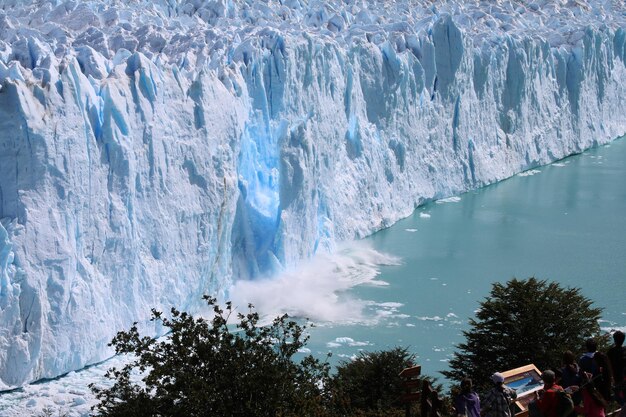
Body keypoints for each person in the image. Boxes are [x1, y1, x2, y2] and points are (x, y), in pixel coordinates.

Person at [607, 331, 626, 409]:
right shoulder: (625, 350)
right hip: (624, 378)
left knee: (618, 398)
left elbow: (608, 366)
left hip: (616, 379)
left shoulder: (611, 352)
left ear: (614, 340)